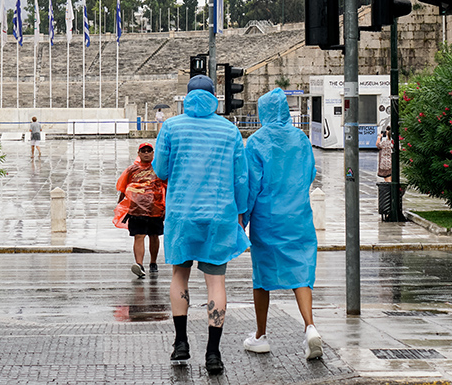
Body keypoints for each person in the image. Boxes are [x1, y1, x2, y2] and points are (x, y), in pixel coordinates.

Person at [152, 74, 250, 375]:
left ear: (187, 97)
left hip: (182, 213)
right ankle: (213, 353)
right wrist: (241, 214)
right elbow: (240, 178)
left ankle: (180, 342)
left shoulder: (171, 127)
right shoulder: (229, 130)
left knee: (179, 276)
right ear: (214, 97)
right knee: (216, 283)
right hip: (219, 215)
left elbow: (160, 169)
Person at [242, 88, 323, 360]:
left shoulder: (255, 142)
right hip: (298, 215)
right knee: (301, 271)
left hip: (267, 218)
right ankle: (310, 327)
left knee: (262, 276)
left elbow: (250, 185)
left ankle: (261, 334)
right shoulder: (301, 139)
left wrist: (243, 219)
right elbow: (310, 173)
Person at [114, 142, 166, 279]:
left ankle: (153, 263)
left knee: (154, 236)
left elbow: (166, 187)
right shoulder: (131, 170)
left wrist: (166, 206)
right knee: (139, 236)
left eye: (149, 151)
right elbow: (123, 187)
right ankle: (139, 264)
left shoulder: (159, 169)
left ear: (153, 153)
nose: (146, 153)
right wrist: (121, 205)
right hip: (136, 210)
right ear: (139, 153)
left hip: (155, 208)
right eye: (144, 151)